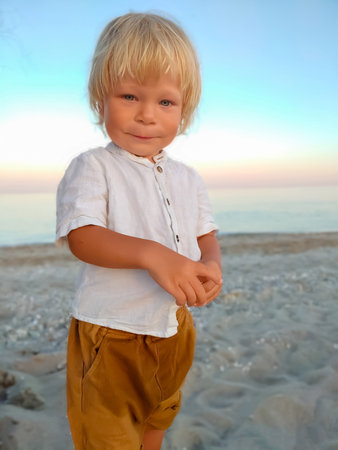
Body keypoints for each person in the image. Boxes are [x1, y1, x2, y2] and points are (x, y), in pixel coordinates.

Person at [56, 12, 222, 450]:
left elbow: (205, 231)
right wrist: (153, 254)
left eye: (165, 102)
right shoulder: (93, 167)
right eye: (129, 95)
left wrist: (211, 266)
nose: (147, 115)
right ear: (100, 100)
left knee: (158, 415)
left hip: (173, 327)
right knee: (107, 433)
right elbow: (83, 236)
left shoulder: (188, 177)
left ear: (183, 111)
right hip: (111, 333)